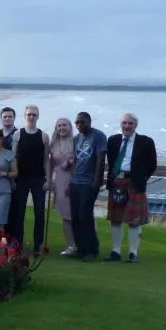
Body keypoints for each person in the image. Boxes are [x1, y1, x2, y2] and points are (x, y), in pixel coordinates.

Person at [104, 113, 157, 263]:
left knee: (134, 220)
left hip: (134, 183)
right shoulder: (113, 140)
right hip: (116, 181)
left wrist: (140, 178)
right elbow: (111, 160)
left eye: (130, 124)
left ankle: (133, 253)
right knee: (115, 219)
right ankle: (115, 251)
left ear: (136, 125)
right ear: (120, 125)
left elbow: (152, 164)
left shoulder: (146, 142)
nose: (126, 126)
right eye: (124, 123)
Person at [9, 105, 49, 254]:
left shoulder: (44, 136)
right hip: (21, 178)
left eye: (34, 114)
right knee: (19, 213)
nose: (31, 117)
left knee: (40, 213)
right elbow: (13, 158)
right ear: (25, 116)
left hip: (39, 179)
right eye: (29, 114)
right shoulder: (18, 134)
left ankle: (37, 244)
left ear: (38, 116)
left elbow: (46, 159)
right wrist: (12, 178)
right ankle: (18, 243)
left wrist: (48, 178)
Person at [70, 112, 107, 262]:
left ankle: (92, 250)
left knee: (85, 216)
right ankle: (81, 248)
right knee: (76, 217)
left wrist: (97, 182)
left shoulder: (98, 136)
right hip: (75, 182)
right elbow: (75, 160)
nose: (79, 125)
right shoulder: (75, 139)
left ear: (89, 121)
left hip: (88, 182)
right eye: (77, 123)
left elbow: (100, 159)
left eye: (82, 122)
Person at [48, 118, 77, 256]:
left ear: (70, 127)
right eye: (59, 125)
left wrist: (70, 161)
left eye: (64, 125)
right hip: (59, 181)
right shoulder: (52, 144)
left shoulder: (76, 141)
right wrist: (49, 181)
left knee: (76, 214)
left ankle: (81, 244)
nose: (61, 128)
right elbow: (50, 164)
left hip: (74, 179)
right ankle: (70, 246)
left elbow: (81, 160)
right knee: (65, 216)